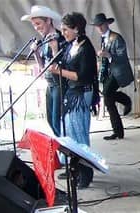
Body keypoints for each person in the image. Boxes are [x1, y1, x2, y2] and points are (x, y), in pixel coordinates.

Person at [50, 12, 98, 188]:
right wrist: (55, 50)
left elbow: (82, 75)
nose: (63, 32)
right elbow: (62, 63)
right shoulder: (71, 45)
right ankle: (75, 168)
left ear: (77, 28)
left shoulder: (86, 47)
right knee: (70, 133)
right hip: (71, 92)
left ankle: (86, 172)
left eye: (65, 29)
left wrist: (58, 72)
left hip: (81, 92)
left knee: (79, 135)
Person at [21, 5, 67, 137]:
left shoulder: (60, 38)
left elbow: (62, 65)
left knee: (57, 120)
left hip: (60, 84)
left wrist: (54, 49)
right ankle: (62, 148)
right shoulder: (45, 40)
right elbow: (42, 68)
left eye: (38, 24)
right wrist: (35, 53)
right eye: (34, 25)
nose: (36, 27)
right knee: (50, 121)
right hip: (50, 84)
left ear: (48, 20)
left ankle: (67, 150)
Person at [91, 13, 134, 140]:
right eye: (97, 26)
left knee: (107, 95)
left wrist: (108, 55)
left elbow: (122, 56)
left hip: (118, 72)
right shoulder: (104, 38)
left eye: (101, 25)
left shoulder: (116, 38)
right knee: (108, 99)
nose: (99, 28)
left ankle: (118, 129)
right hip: (109, 72)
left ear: (106, 24)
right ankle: (118, 131)